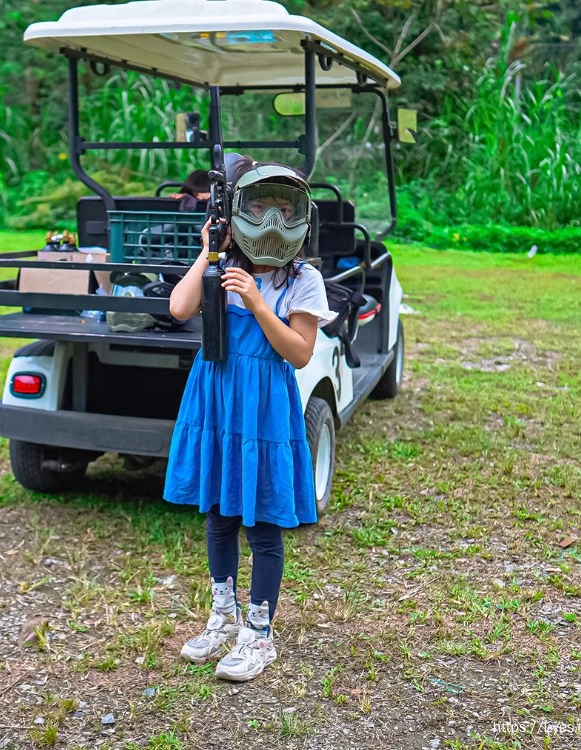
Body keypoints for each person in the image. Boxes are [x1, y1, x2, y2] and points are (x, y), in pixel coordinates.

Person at [163, 157, 335, 682]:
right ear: (239, 212)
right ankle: (222, 617)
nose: (272, 223)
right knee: (218, 512)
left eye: (285, 211)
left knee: (261, 521)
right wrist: (206, 251)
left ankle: (259, 635)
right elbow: (178, 307)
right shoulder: (220, 263)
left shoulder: (302, 280)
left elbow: (301, 353)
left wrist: (259, 303)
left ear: (301, 219)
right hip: (216, 396)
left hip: (262, 405)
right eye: (259, 209)